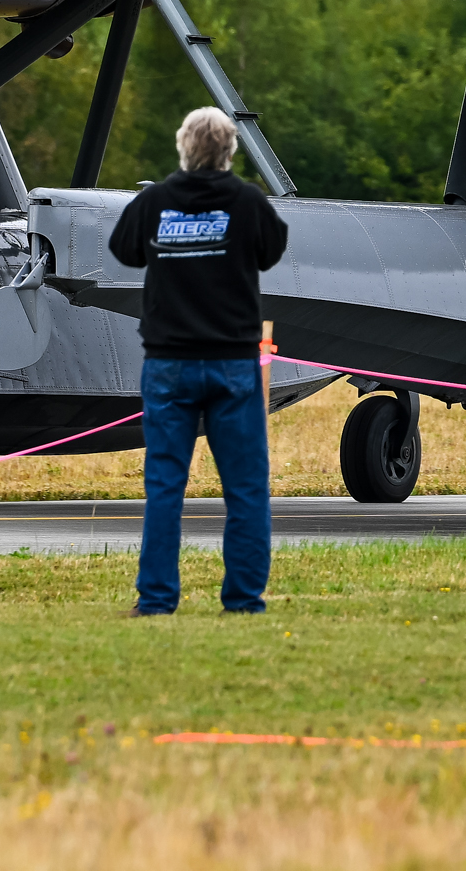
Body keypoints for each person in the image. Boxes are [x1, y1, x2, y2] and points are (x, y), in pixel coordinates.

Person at [108, 105, 292, 616]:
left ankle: (156, 599)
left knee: (165, 485)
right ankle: (244, 599)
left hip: (169, 363)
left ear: (183, 147)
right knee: (246, 487)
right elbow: (272, 251)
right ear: (230, 151)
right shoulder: (247, 202)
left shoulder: (155, 202)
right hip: (232, 362)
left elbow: (124, 250)